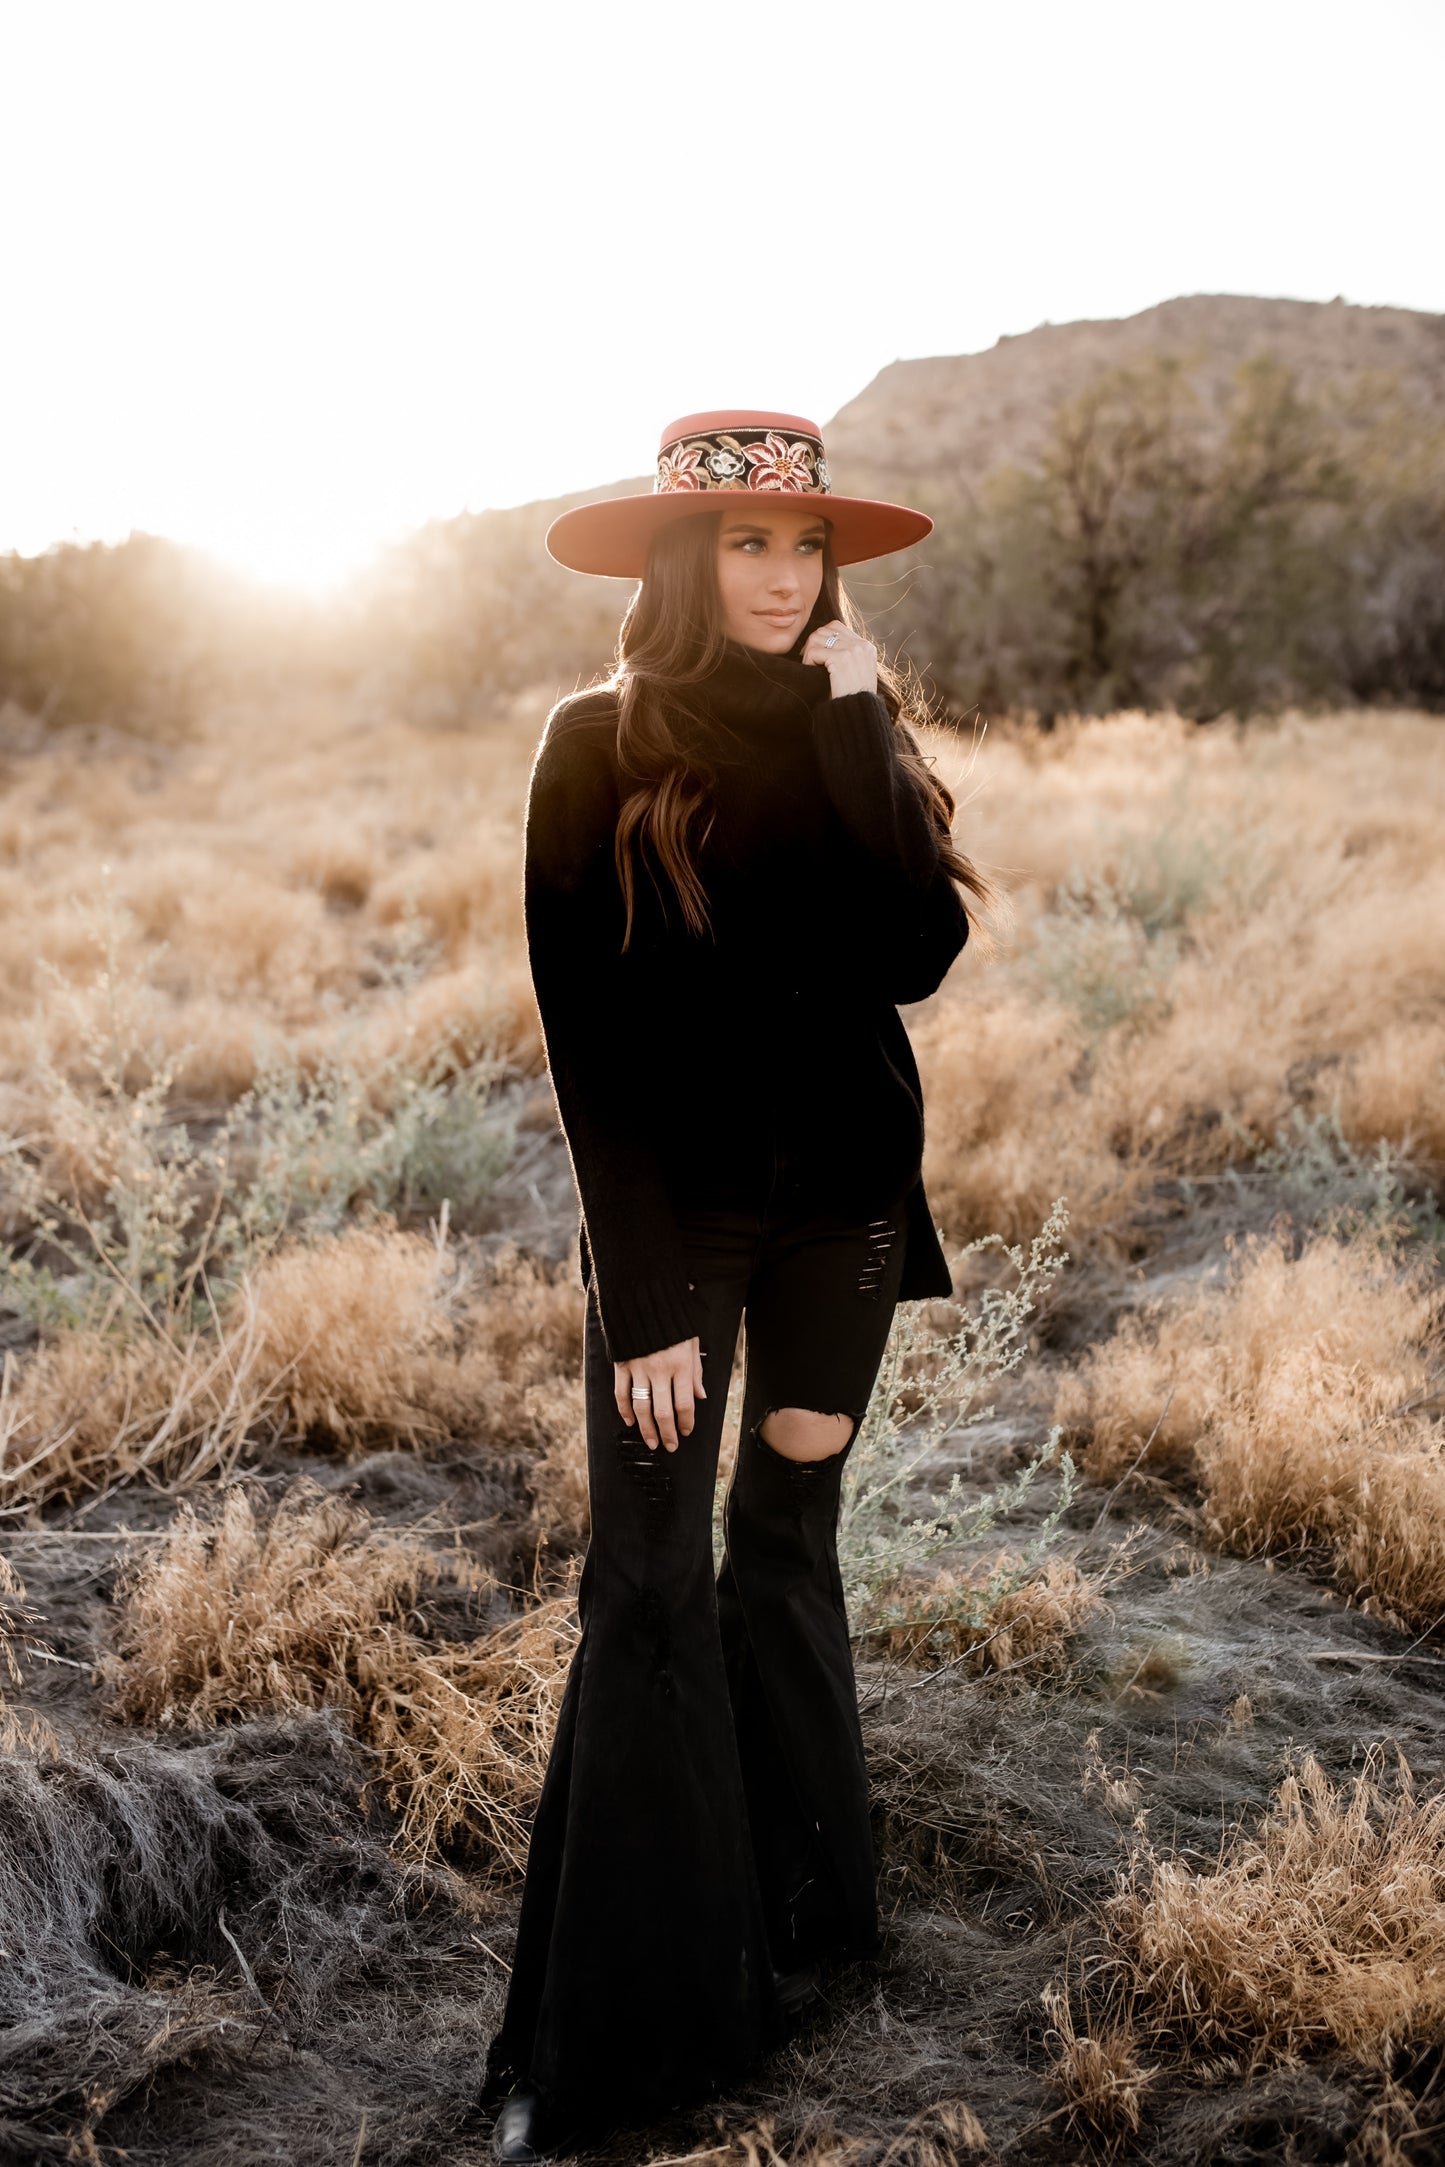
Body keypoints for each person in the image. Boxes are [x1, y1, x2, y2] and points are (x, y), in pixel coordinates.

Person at [486, 412, 990, 2161]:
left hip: (842, 1210)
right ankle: (636, 2026)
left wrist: (859, 715)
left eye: (806, 549)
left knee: (784, 1557)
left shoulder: (854, 716)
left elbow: (915, 955)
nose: (782, 578)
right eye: (749, 548)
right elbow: (586, 1044)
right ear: (682, 564)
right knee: (644, 1586)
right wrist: (638, 1297)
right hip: (679, 1229)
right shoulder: (589, 744)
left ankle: (809, 1926)